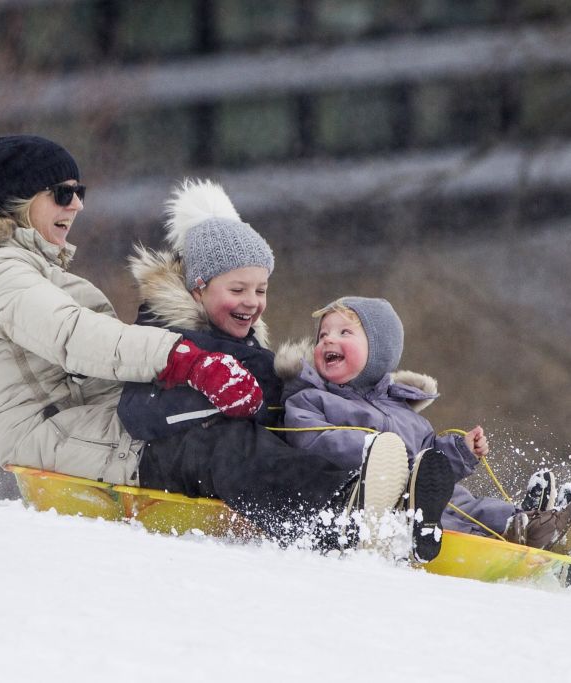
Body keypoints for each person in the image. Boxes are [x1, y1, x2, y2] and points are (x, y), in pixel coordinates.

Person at [0, 135, 417, 553]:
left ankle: (392, 481)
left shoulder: (33, 272)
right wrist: (184, 360)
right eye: (61, 192)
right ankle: (337, 515)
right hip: (62, 437)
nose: (76, 204)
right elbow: (75, 338)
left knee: (264, 399)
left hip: (95, 421)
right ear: (16, 200)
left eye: (80, 192)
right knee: (215, 443)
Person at [117, 178, 454, 560]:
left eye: (260, 291)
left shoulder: (246, 345)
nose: (252, 302)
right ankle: (332, 517)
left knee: (305, 426)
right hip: (156, 459)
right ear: (198, 289)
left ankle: (441, 511)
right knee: (232, 444)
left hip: (220, 468)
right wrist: (218, 396)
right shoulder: (162, 337)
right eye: (238, 290)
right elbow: (138, 410)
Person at [279, 296, 571, 556]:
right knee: (450, 514)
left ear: (378, 351)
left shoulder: (405, 412)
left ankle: (530, 520)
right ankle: (529, 531)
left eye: (343, 333)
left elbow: (431, 459)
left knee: (466, 503)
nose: (327, 340)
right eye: (323, 335)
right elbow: (310, 440)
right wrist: (377, 454)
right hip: (378, 500)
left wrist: (460, 452)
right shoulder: (311, 398)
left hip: (425, 493)